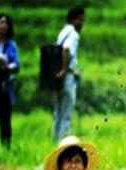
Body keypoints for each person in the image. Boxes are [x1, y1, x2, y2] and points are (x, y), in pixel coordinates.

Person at [52, 6, 85, 141]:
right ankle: (63, 141)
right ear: (73, 19)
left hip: (58, 78)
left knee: (58, 111)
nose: (82, 23)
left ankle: (55, 139)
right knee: (66, 112)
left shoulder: (63, 31)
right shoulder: (73, 34)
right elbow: (66, 49)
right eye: (80, 20)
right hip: (67, 78)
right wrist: (65, 70)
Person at [0, 14, 20, 151]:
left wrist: (6, 65)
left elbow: (16, 64)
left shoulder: (11, 45)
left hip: (4, 87)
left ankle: (6, 150)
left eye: (6, 23)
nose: (4, 26)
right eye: (1, 22)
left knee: (5, 121)